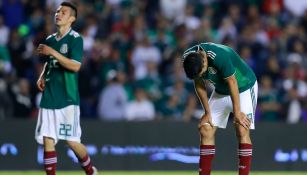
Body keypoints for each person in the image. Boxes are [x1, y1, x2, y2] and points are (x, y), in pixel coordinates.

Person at [34, 2, 97, 175]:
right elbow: (50, 64)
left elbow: (75, 66)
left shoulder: (76, 39)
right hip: (49, 96)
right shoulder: (50, 40)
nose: (58, 14)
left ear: (72, 19)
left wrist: (52, 52)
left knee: (72, 142)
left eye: (63, 12)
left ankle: (91, 171)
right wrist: (42, 76)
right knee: (48, 139)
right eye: (57, 11)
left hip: (67, 99)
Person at [182, 42, 258, 175]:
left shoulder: (218, 55)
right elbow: (199, 84)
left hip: (244, 87)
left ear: (204, 60)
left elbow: (232, 82)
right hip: (221, 91)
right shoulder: (188, 58)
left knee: (241, 128)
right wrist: (207, 112)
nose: (201, 75)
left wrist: (238, 112)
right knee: (205, 128)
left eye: (202, 72)